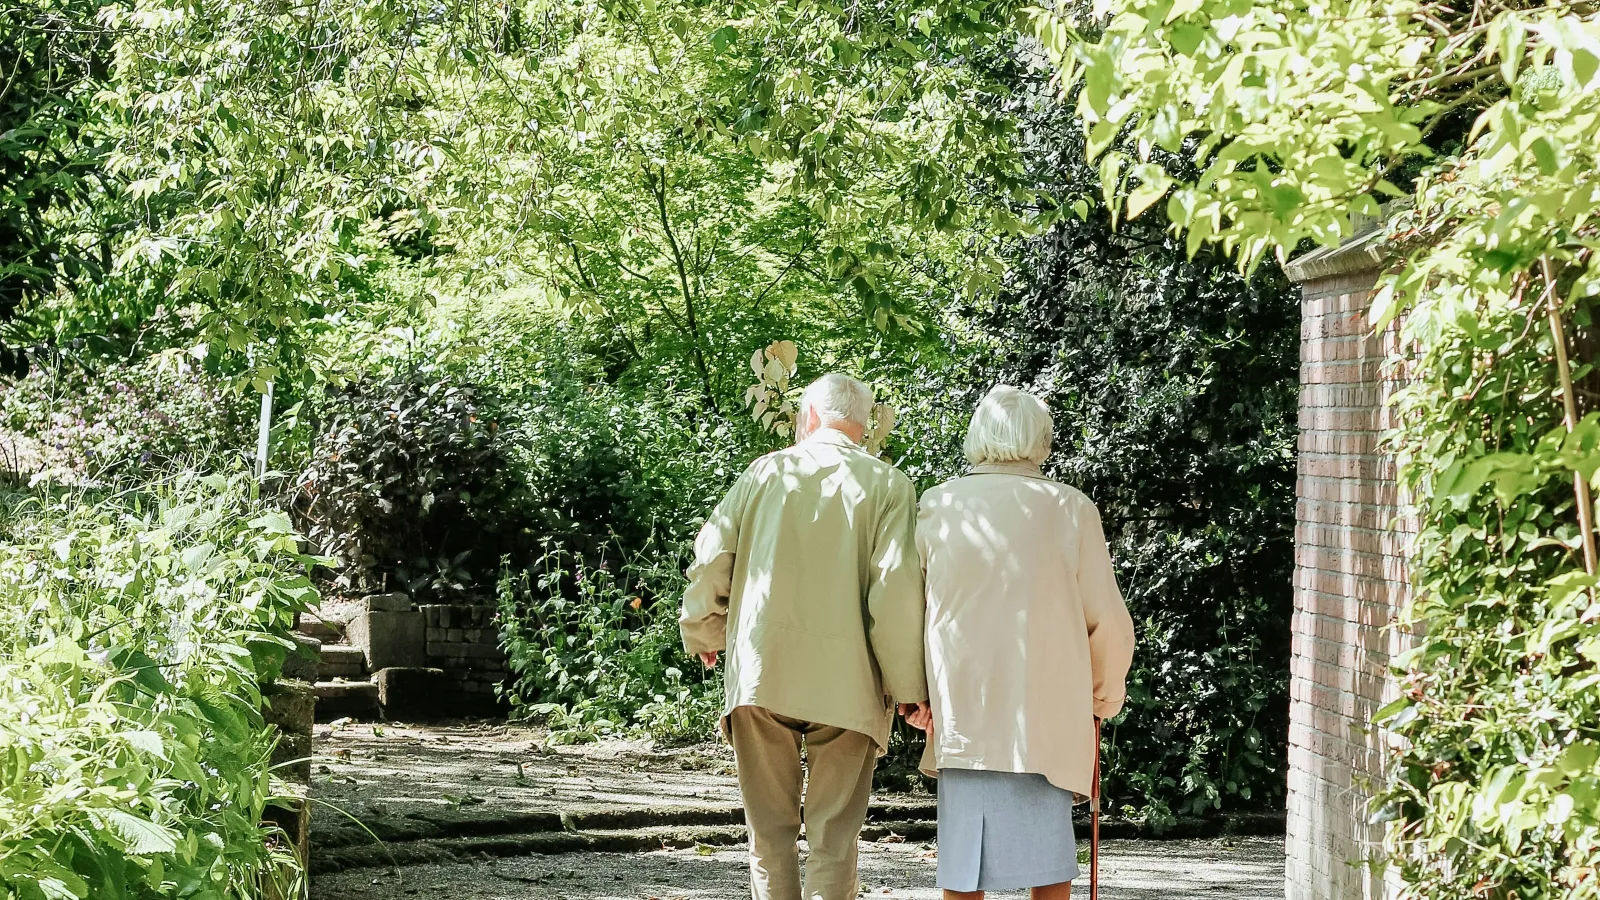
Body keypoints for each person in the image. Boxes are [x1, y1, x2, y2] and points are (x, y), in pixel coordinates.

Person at [680, 373, 929, 900]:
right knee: (835, 841)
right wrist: (910, 688)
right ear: (862, 427)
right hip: (849, 683)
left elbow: (711, 560)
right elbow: (895, 593)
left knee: (768, 836)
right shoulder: (890, 485)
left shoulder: (764, 472)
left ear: (809, 416)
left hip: (762, 669)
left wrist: (705, 629)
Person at [909, 385, 1136, 900]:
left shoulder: (940, 504)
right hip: (1048, 713)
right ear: (1041, 439)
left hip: (965, 708)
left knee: (964, 865)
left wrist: (914, 692)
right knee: (1050, 862)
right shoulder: (1071, 509)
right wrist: (1101, 700)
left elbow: (913, 609)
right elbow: (1108, 621)